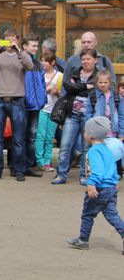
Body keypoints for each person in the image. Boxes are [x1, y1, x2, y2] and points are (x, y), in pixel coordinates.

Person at [65, 117, 124, 253]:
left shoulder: (94, 151)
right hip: (110, 188)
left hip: (99, 188)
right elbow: (113, 168)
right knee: (111, 214)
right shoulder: (107, 149)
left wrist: (91, 184)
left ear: (90, 134)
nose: (84, 133)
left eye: (85, 131)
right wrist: (115, 181)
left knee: (87, 214)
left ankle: (83, 240)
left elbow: (97, 171)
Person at [0, 30, 33, 181]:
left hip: (17, 100)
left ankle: (18, 170)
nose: (9, 42)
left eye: (13, 39)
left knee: (19, 138)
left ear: (17, 40)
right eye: (7, 39)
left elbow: (30, 66)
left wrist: (18, 51)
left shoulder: (22, 55)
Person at [53, 49, 100, 186]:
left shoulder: (98, 75)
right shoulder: (75, 72)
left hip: (88, 116)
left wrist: (77, 87)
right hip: (71, 115)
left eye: (88, 59)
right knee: (65, 145)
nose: (85, 61)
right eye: (83, 59)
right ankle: (61, 175)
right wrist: (85, 86)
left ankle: (84, 176)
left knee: (86, 148)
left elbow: (95, 89)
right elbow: (68, 87)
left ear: (95, 60)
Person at [22, 34, 47, 177]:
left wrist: (43, 98)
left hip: (36, 105)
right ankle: (19, 164)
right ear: (25, 46)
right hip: (24, 104)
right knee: (20, 135)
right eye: (33, 45)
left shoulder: (38, 64)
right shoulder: (20, 62)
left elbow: (42, 83)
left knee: (32, 135)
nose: (36, 48)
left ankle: (29, 164)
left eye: (37, 46)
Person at [35, 53, 63, 172]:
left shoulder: (59, 75)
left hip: (54, 110)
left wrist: (56, 92)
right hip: (42, 108)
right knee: (40, 136)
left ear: (52, 62)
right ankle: (39, 161)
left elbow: (63, 94)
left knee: (50, 137)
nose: (42, 63)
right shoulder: (38, 74)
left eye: (45, 61)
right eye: (41, 60)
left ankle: (47, 162)